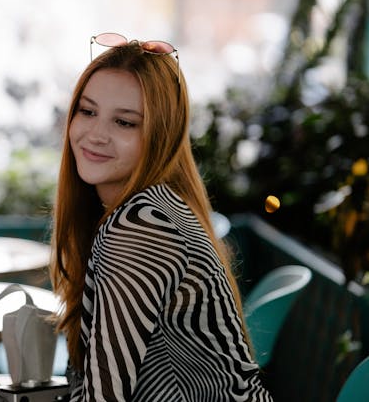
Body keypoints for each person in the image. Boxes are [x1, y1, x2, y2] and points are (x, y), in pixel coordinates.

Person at [49, 33, 273, 401]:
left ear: (160, 136)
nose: (96, 134)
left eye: (124, 123)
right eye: (87, 112)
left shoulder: (141, 226)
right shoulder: (155, 208)